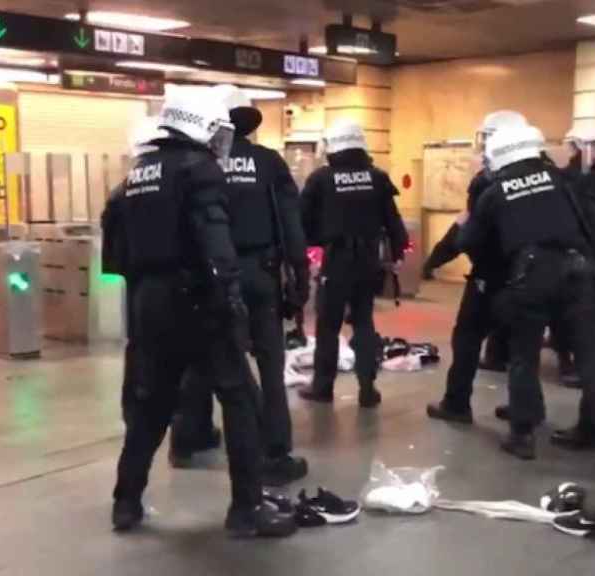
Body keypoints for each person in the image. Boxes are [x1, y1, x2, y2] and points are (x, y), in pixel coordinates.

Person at [102, 92, 296, 537]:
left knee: (151, 406)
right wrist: (231, 301)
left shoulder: (137, 174)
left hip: (150, 305)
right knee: (240, 400)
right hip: (199, 302)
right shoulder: (199, 169)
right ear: (198, 126)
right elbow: (216, 246)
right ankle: (247, 510)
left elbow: (117, 253)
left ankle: (125, 502)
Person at [169, 86, 311, 486]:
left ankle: (188, 438)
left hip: (209, 278)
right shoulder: (268, 162)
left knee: (203, 357)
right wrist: (299, 280)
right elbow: (291, 226)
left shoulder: (196, 165)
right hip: (260, 275)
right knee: (269, 363)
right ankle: (276, 451)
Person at [457, 122, 595, 460]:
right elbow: (589, 221)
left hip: (532, 274)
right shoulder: (561, 179)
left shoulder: (495, 191)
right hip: (579, 269)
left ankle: (522, 434)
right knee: (591, 355)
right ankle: (592, 427)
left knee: (524, 354)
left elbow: (470, 240)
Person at [426, 110, 528, 425]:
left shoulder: (487, 181)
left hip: (489, 275)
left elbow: (467, 230)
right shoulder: (545, 176)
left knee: (467, 338)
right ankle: (522, 415)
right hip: (528, 275)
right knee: (524, 348)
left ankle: (457, 404)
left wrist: (434, 260)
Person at [297, 120, 408, 408]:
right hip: (369, 260)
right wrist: (396, 256)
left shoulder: (321, 179)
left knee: (328, 326)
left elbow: (301, 222)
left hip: (336, 261)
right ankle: (368, 387)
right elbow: (394, 223)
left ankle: (323, 387)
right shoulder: (378, 177)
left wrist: (308, 251)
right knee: (363, 322)